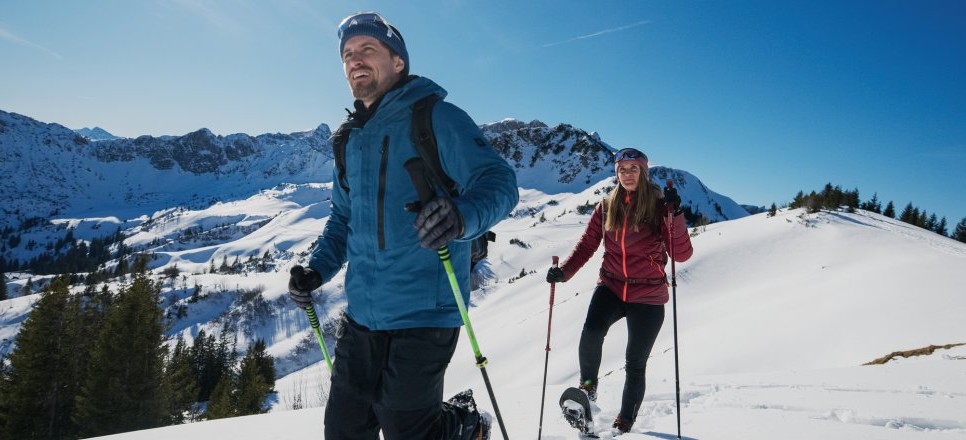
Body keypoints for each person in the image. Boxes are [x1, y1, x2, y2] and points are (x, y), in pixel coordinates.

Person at [286, 11, 518, 440]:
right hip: (362, 317)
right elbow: (342, 219)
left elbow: (500, 183)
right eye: (348, 54)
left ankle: (467, 425)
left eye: (367, 49)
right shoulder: (348, 140)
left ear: (398, 62)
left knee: (408, 430)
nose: (355, 60)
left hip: (426, 312)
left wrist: (461, 217)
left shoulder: (435, 118)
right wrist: (317, 270)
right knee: (342, 431)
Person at [546, 147, 693, 433]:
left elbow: (682, 254)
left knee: (634, 363)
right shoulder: (606, 205)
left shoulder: (659, 205)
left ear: (643, 171)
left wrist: (674, 215)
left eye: (633, 169)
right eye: (622, 169)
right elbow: (588, 244)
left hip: (648, 294)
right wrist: (564, 271)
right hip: (611, 285)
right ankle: (587, 391)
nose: (627, 174)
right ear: (616, 173)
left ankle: (624, 424)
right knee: (591, 333)